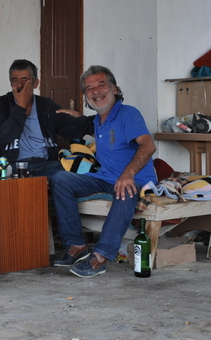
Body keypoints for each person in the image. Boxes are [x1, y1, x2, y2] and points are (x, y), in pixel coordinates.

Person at [50, 65, 157, 278]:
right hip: (105, 177)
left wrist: (128, 174)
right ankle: (76, 245)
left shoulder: (128, 114)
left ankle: (100, 257)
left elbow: (148, 145)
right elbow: (99, 128)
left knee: (124, 191)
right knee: (60, 179)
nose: (96, 91)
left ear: (114, 89)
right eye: (89, 88)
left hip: (134, 178)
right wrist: (76, 116)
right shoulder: (98, 120)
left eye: (101, 85)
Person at [0, 59, 95, 177]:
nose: (19, 85)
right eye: (15, 80)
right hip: (11, 165)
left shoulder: (46, 106)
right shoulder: (1, 104)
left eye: (25, 80)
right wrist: (20, 107)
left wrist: (99, 120)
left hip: (44, 164)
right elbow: (2, 138)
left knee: (69, 176)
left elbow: (71, 127)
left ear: (36, 83)